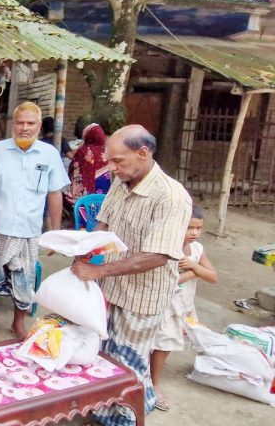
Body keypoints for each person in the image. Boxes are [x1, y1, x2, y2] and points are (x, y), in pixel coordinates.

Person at [71, 125, 192, 426]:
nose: (110, 167)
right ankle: (101, 412)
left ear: (143, 153)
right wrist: (79, 246)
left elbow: (157, 256)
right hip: (109, 288)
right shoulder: (120, 180)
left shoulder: (171, 197)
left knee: (128, 367)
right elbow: (103, 226)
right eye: (109, 161)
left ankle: (128, 418)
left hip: (142, 297)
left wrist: (96, 270)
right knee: (101, 356)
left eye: (117, 161)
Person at [0, 102, 69, 345]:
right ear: (12, 124)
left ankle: (18, 323)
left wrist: (55, 232)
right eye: (20, 123)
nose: (24, 128)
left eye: (30, 123)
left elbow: (55, 193)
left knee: (24, 282)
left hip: (29, 232)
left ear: (39, 126)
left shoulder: (49, 154)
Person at [150, 205, 217, 412]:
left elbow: (213, 276)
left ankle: (150, 379)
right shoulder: (170, 250)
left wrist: (194, 267)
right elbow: (168, 282)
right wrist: (197, 272)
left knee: (164, 343)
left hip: (183, 304)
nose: (195, 233)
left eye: (199, 228)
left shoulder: (197, 250)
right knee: (163, 343)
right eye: (190, 228)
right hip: (165, 304)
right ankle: (153, 385)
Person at [68, 123, 111, 202]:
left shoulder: (83, 150)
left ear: (87, 136)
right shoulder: (108, 150)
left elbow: (74, 167)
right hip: (105, 192)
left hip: (86, 192)